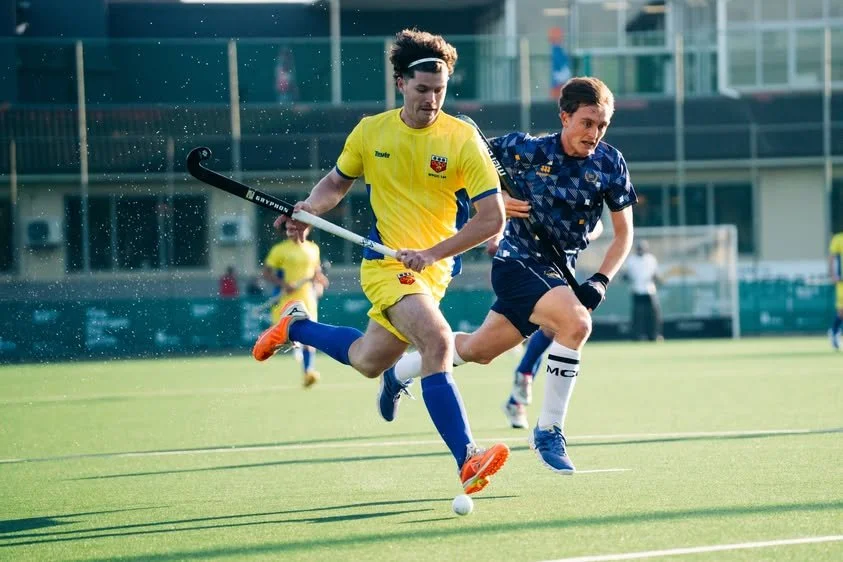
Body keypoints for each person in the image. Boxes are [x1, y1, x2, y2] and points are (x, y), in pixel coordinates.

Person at [251, 29, 510, 495]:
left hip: (434, 269)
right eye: (422, 89)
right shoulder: (372, 131)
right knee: (437, 341)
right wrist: (309, 209)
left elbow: (490, 219)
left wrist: (433, 253)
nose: (432, 100)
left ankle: (295, 327)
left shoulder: (462, 138)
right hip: (386, 262)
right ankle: (467, 459)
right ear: (400, 83)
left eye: (440, 91)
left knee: (367, 361)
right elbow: (336, 182)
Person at [382, 76, 636, 475]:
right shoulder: (523, 149)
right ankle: (549, 431)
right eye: (587, 123)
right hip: (516, 262)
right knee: (576, 323)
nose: (595, 133)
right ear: (565, 117)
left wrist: (600, 280)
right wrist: (496, 199)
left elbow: (624, 234)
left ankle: (399, 371)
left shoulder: (609, 163)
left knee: (477, 351)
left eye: (603, 125)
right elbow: (461, 177)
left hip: (559, 270)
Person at [491, 220, 604, 430]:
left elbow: (597, 226)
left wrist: (583, 235)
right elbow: (500, 210)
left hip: (560, 267)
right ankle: (521, 385)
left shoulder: (585, 192)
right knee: (478, 349)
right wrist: (495, 237)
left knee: (555, 329)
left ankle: (518, 395)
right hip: (522, 265)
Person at [262, 229, 327, 387]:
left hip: (307, 299)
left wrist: (320, 282)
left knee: (309, 338)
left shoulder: (313, 248)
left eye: (296, 227)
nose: (292, 231)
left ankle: (308, 372)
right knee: (282, 338)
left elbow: (316, 272)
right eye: (289, 228)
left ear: (307, 228)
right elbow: (266, 273)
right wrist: (284, 284)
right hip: (286, 300)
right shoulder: (279, 249)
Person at [624, 240, 663, 342]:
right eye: (639, 248)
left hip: (649, 289)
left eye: (642, 248)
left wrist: (659, 280)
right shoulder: (631, 260)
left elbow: (655, 274)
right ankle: (637, 336)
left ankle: (654, 335)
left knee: (653, 313)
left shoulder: (651, 259)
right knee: (637, 315)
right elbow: (627, 275)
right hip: (637, 290)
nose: (640, 250)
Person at [829, 231, 843, 350]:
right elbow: (832, 257)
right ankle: (834, 332)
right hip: (842, 282)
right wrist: (832, 274)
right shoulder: (838, 238)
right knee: (841, 311)